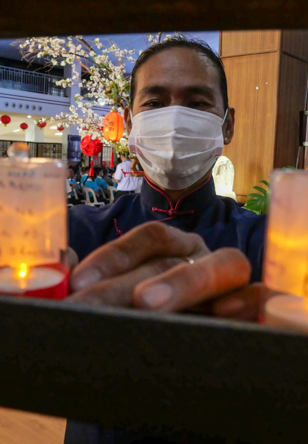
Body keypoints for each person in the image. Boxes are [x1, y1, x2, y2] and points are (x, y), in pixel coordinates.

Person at [64, 36, 266, 443]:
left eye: (196, 103)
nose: (175, 119)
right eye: (155, 103)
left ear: (227, 123)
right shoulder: (76, 230)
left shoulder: (264, 241)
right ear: (130, 120)